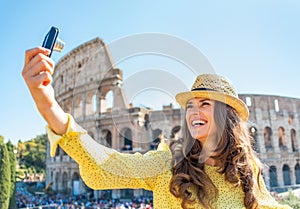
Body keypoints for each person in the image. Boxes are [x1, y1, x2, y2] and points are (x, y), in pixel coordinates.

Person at [22, 47, 291, 209]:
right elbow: (107, 163)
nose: (194, 112)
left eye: (205, 104)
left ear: (227, 116)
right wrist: (47, 105)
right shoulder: (168, 166)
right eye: (190, 106)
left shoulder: (247, 168)